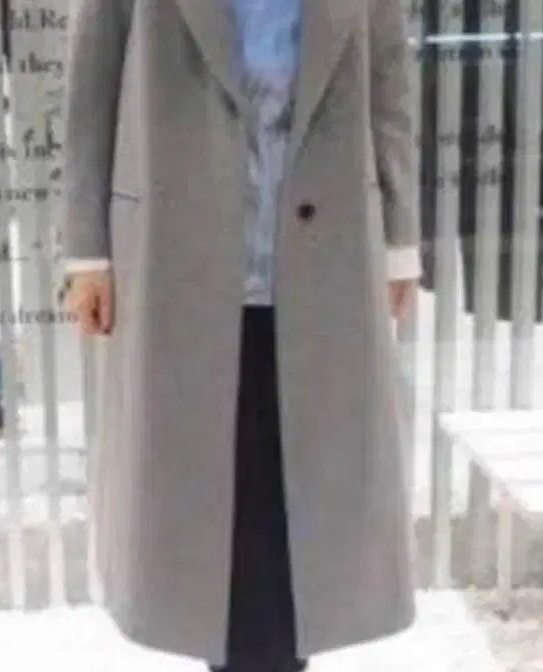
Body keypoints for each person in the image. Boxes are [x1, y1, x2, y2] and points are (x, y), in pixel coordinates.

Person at [60, 1, 420, 670]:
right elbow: (90, 82)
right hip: (178, 259)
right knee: (206, 505)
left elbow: (389, 79)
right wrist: (86, 253)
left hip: (327, 260)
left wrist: (400, 239)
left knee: (303, 505)